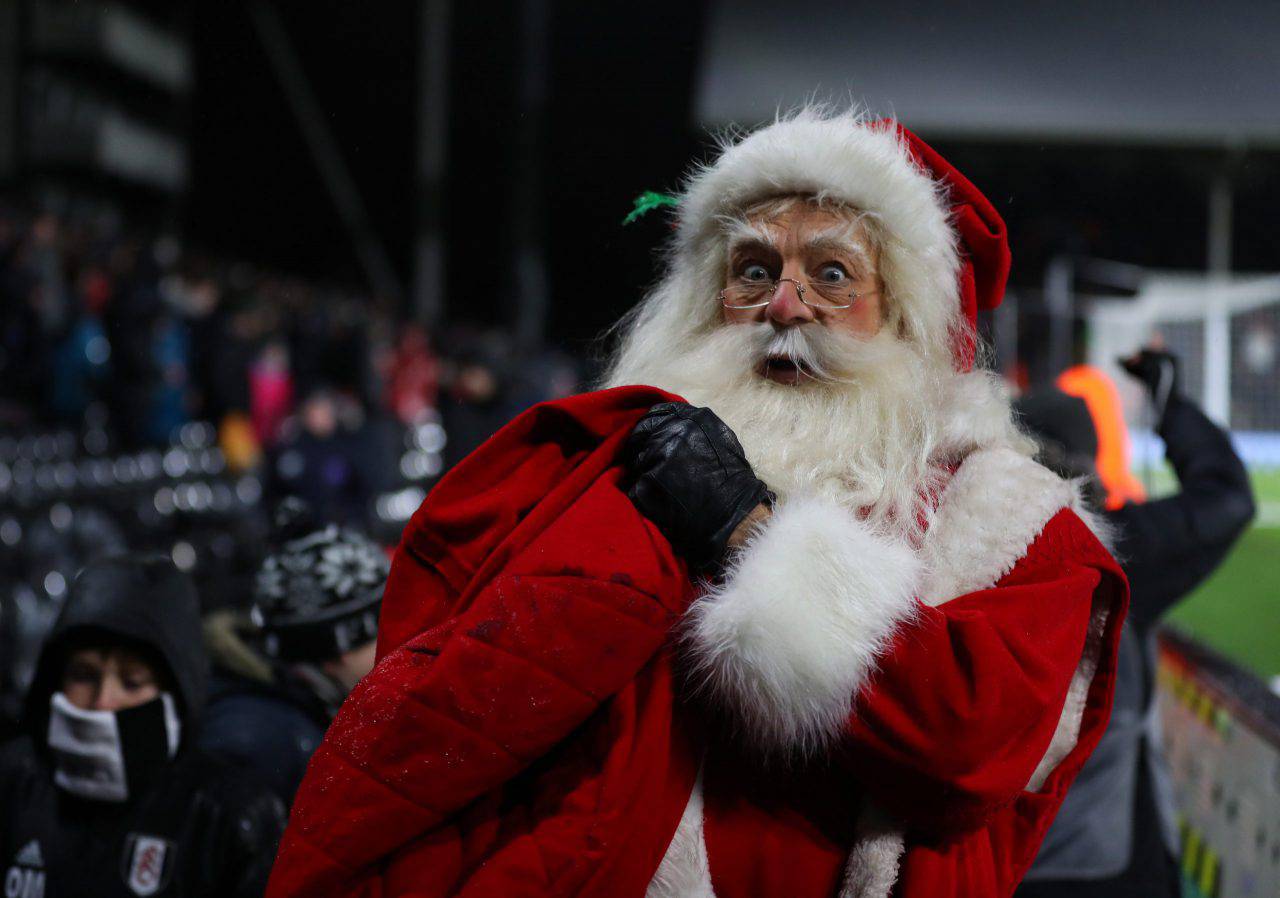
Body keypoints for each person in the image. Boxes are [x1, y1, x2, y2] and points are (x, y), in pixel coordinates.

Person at [266, 108, 1127, 898]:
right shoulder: (621, 458)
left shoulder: (1012, 526)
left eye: (832, 273)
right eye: (752, 269)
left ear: (907, 316)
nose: (784, 305)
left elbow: (971, 740)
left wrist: (752, 534)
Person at [1016, 347, 1255, 898]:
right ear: (1091, 460)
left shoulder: (967, 540)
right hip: (1098, 861)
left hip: (996, 863)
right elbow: (1224, 499)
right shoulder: (1114, 547)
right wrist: (1171, 407)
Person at [0, 554, 286, 898]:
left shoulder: (226, 816)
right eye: (83, 676)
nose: (103, 701)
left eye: (133, 682)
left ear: (176, 693)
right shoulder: (15, 782)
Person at [200, 499, 390, 805]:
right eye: (383, 632)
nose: (399, 646)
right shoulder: (261, 743)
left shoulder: (301, 709)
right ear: (337, 648)